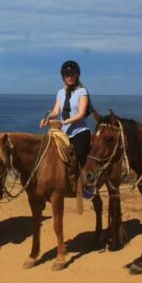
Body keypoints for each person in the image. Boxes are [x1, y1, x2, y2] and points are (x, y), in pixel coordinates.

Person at [39, 60, 93, 188]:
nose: (69, 77)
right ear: (63, 77)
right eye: (67, 75)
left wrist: (64, 121)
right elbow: (55, 111)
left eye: (72, 74)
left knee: (80, 153)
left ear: (77, 75)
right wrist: (46, 118)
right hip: (64, 133)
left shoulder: (82, 92)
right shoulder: (60, 93)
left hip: (79, 131)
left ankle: (90, 182)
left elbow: (81, 113)